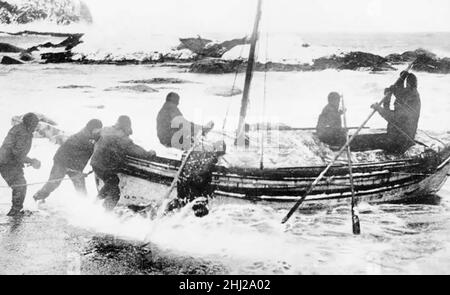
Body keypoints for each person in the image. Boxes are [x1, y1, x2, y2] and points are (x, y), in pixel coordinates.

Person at [91, 116, 156, 210]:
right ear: (125, 127)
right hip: (104, 166)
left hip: (95, 163)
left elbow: (94, 134)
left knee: (112, 181)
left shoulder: (106, 129)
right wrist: (150, 153)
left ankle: (94, 203)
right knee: (115, 193)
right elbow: (135, 150)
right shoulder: (121, 138)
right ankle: (103, 214)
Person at [349, 71, 421, 154]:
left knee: (362, 142)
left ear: (408, 86)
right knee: (361, 140)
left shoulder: (411, 99)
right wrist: (401, 79)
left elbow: (393, 117)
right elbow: (398, 91)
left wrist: (379, 109)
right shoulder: (410, 94)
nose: (400, 90)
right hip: (395, 137)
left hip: (400, 141)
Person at [33, 119, 103, 202]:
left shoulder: (94, 136)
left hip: (75, 165)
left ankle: (84, 206)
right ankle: (37, 198)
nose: (100, 130)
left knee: (80, 187)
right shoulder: (82, 137)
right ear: (93, 128)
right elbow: (72, 154)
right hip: (62, 162)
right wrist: (75, 170)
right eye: (98, 129)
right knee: (53, 183)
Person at [0, 113, 41, 216]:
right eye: (35, 125)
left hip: (7, 161)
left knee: (19, 185)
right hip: (8, 163)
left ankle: (16, 210)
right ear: (31, 124)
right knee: (20, 185)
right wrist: (32, 161)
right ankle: (15, 212)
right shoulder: (23, 133)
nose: (36, 127)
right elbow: (18, 153)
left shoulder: (20, 129)